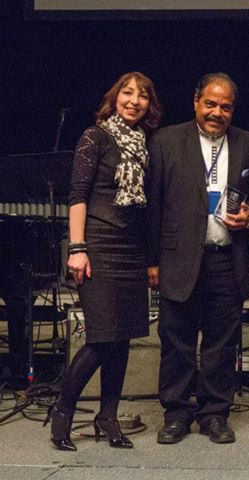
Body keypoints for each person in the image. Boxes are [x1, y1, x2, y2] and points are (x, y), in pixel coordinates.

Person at [146, 72, 249, 445]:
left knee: (222, 344)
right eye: (210, 104)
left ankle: (215, 414)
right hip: (178, 259)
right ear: (196, 101)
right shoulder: (166, 141)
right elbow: (153, 205)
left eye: (225, 107)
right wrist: (151, 261)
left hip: (227, 259)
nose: (217, 112)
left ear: (233, 109)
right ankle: (177, 414)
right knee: (176, 341)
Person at [48, 71, 162, 450]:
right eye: (127, 93)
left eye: (142, 96)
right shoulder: (94, 137)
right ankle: (63, 411)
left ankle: (108, 416)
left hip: (132, 249)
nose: (134, 101)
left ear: (148, 105)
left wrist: (150, 259)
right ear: (115, 97)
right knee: (101, 338)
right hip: (98, 245)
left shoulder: (145, 144)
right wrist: (77, 248)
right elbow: (78, 195)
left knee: (122, 337)